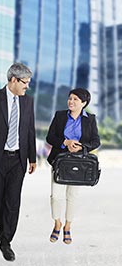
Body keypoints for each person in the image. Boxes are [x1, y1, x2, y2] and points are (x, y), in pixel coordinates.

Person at [0, 62, 37, 261]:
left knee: (13, 200)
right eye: (25, 82)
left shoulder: (28, 102)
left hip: (18, 159)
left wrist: (32, 157)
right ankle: (1, 226)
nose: (27, 86)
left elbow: (30, 130)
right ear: (13, 80)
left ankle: (6, 241)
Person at [46, 88, 100, 245]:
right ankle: (57, 223)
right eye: (70, 98)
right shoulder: (60, 116)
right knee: (56, 196)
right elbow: (50, 137)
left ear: (84, 103)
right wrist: (65, 142)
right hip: (60, 161)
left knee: (73, 196)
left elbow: (96, 141)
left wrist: (82, 147)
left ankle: (67, 227)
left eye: (75, 99)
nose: (71, 101)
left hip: (80, 163)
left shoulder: (90, 119)